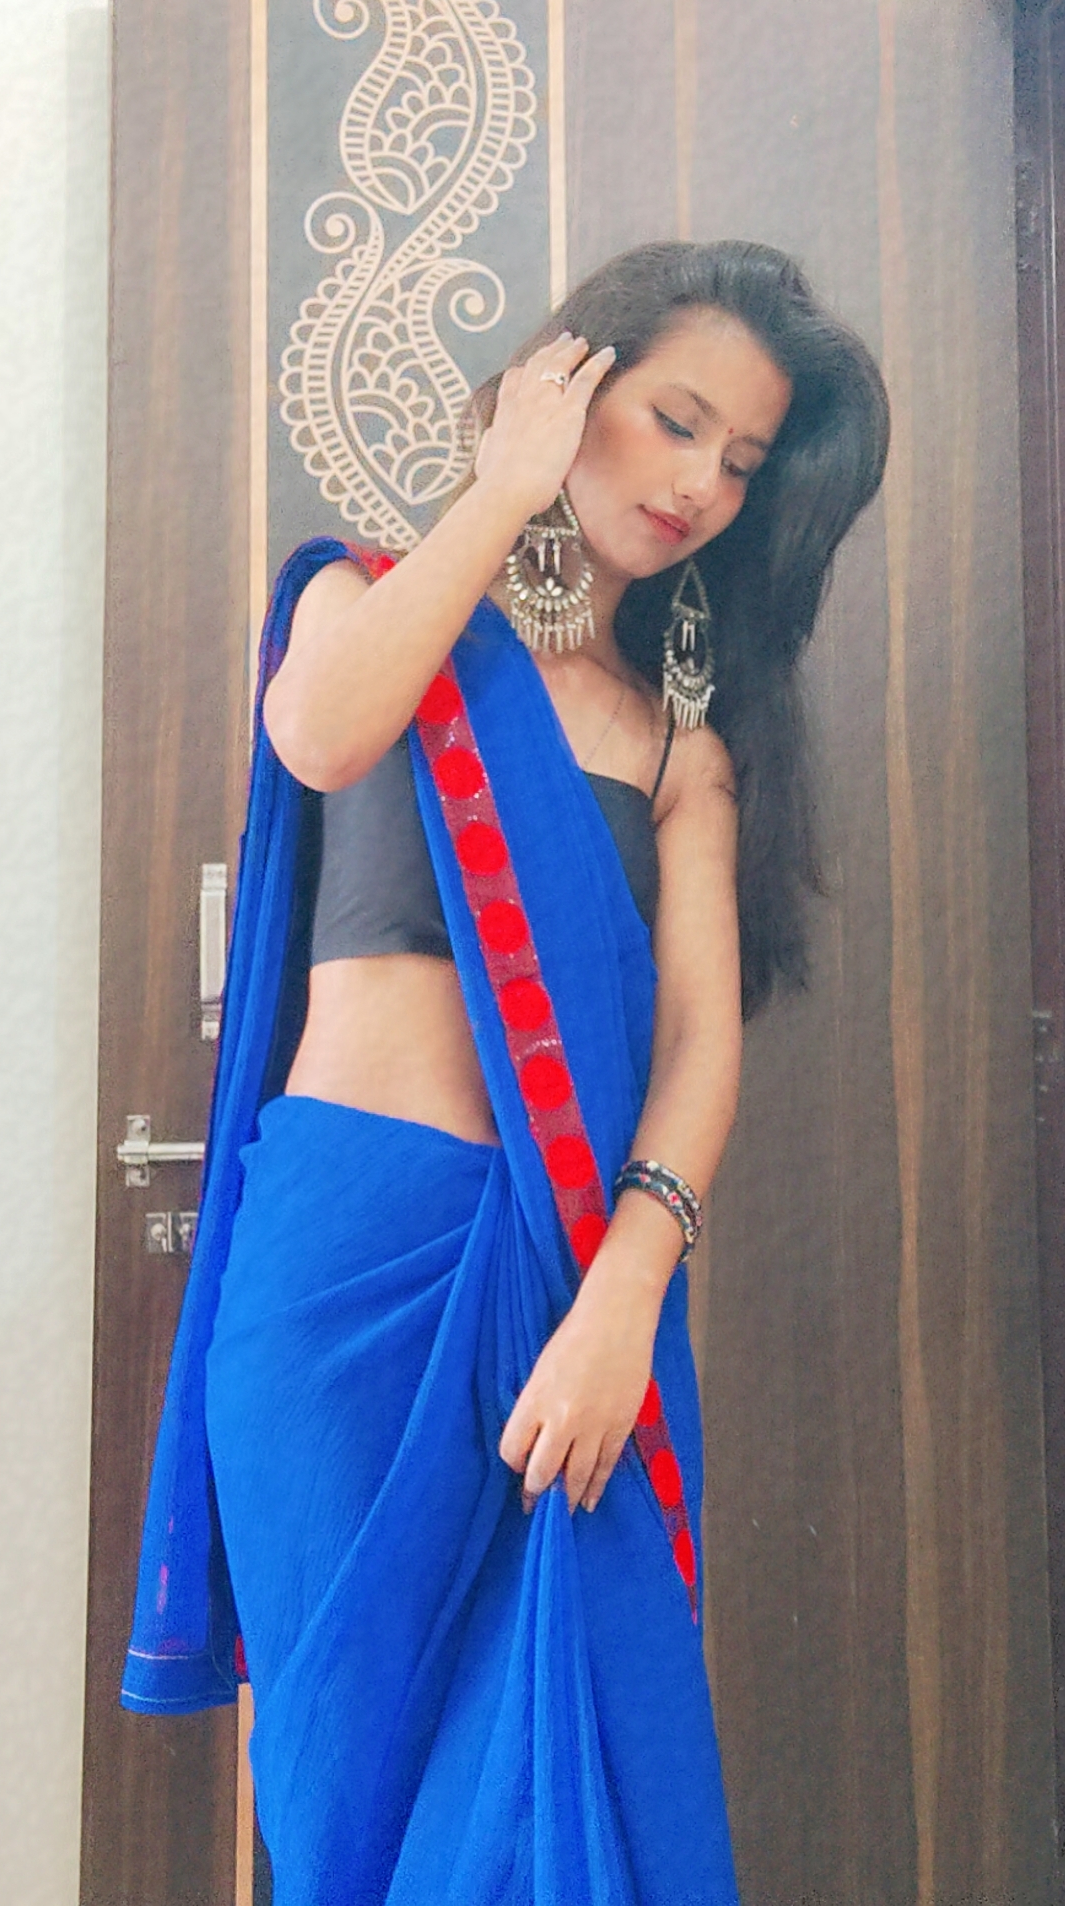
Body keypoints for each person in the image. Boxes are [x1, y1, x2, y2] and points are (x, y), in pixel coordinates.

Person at [121, 240, 889, 1905]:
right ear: (569, 382)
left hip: (567, 1293)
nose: (699, 485)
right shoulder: (359, 601)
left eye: (742, 463)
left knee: (550, 1796)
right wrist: (502, 491)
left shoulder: (678, 748)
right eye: (676, 420)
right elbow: (320, 733)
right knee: (341, 1790)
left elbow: (699, 1045)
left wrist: (624, 1300)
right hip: (337, 1269)